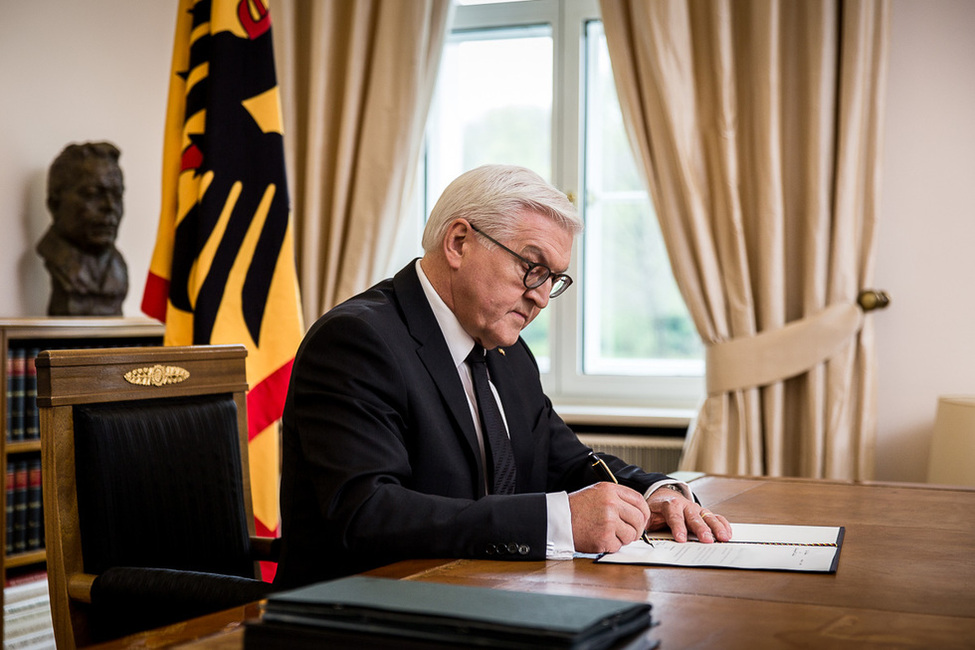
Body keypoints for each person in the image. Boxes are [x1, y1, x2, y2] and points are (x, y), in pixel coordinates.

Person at [275, 164, 731, 589]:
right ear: (458, 243)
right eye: (532, 268)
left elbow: (567, 461)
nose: (542, 299)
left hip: (482, 594)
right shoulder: (356, 340)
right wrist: (557, 522)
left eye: (553, 279)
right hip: (363, 613)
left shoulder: (505, 351)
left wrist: (656, 492)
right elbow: (369, 515)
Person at [37, 141, 128, 316]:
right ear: (55, 204)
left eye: (117, 195)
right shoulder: (54, 257)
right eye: (93, 193)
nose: (110, 207)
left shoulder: (118, 268)